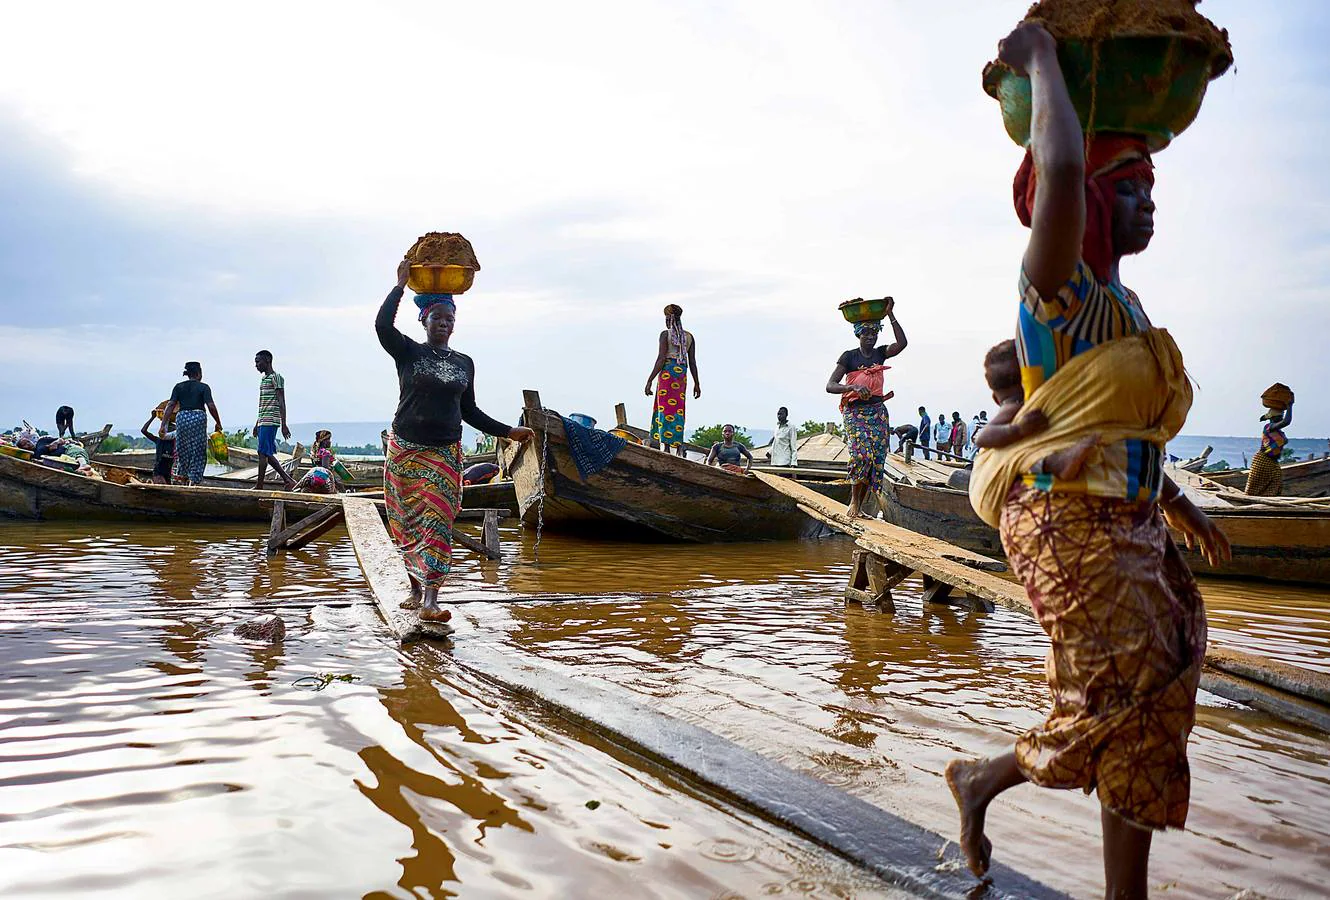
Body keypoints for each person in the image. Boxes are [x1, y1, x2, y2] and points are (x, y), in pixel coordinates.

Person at [945, 23, 1231, 900]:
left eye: (1153, 187)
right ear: (1095, 202)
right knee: (1122, 692)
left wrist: (1178, 503)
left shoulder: (1128, 306)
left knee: (1159, 688)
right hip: (1066, 521)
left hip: (1133, 518)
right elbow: (1060, 171)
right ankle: (993, 787)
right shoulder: (1056, 293)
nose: (1152, 205)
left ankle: (1004, 795)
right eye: (1135, 188)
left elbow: (1121, 429)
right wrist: (1037, 59)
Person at [378, 258, 534, 625]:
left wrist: (508, 431)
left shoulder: (465, 363)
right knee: (407, 521)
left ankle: (431, 598)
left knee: (438, 521)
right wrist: (400, 285)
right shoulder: (408, 352)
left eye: (450, 319)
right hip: (405, 452)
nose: (444, 325)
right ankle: (415, 590)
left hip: (445, 455)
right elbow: (382, 324)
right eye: (438, 319)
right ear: (424, 321)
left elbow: (471, 412)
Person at [826, 301, 908, 517]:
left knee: (875, 459)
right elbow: (830, 385)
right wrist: (852, 386)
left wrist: (891, 315)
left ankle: (860, 508)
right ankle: (853, 503)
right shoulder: (849, 357)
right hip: (855, 412)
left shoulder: (881, 353)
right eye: (866, 334)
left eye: (874, 333)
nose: (871, 337)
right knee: (862, 456)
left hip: (877, 411)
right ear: (858, 335)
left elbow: (902, 343)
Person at [972, 339, 1096, 479]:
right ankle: (1054, 464)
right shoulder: (1015, 405)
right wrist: (1018, 430)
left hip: (1038, 453)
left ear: (995, 398)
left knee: (1014, 455)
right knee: (1017, 455)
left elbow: (982, 437)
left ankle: (1057, 463)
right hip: (1033, 457)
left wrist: (1017, 430)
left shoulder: (1017, 404)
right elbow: (983, 438)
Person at [644, 304, 701, 456]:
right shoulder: (689, 337)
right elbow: (693, 362)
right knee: (678, 410)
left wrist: (650, 380)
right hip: (681, 374)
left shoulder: (665, 335)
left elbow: (661, 359)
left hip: (668, 374)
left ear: (669, 319)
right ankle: (678, 445)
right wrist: (697, 383)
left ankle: (667, 447)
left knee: (664, 409)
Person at [160, 362, 222, 486]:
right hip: (198, 418)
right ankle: (193, 482)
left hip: (182, 418)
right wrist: (218, 422)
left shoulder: (178, 387)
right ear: (199, 373)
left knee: (183, 449)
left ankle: (183, 479)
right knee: (198, 450)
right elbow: (211, 406)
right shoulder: (204, 387)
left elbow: (170, 405)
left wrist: (163, 424)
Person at [253, 350, 295, 491]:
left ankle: (259, 486)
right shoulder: (263, 380)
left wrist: (284, 424)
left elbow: (281, 401)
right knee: (266, 452)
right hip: (263, 420)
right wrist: (257, 423)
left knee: (262, 452)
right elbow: (264, 404)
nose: (256, 365)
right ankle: (288, 480)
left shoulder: (276, 378)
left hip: (271, 421)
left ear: (267, 361)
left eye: (258, 362)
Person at [1245, 399, 1293, 496]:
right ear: (1273, 418)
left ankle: (1269, 507)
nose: (1281, 419)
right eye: (1280, 417)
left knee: (1275, 485)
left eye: (1282, 416)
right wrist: (1290, 406)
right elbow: (1286, 422)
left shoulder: (1278, 431)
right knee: (1254, 490)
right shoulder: (1269, 426)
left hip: (1272, 462)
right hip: (1263, 460)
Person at [140, 404, 177, 484]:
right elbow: (143, 430)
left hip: (168, 474)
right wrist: (152, 417)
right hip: (158, 473)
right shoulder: (159, 440)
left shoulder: (176, 441)